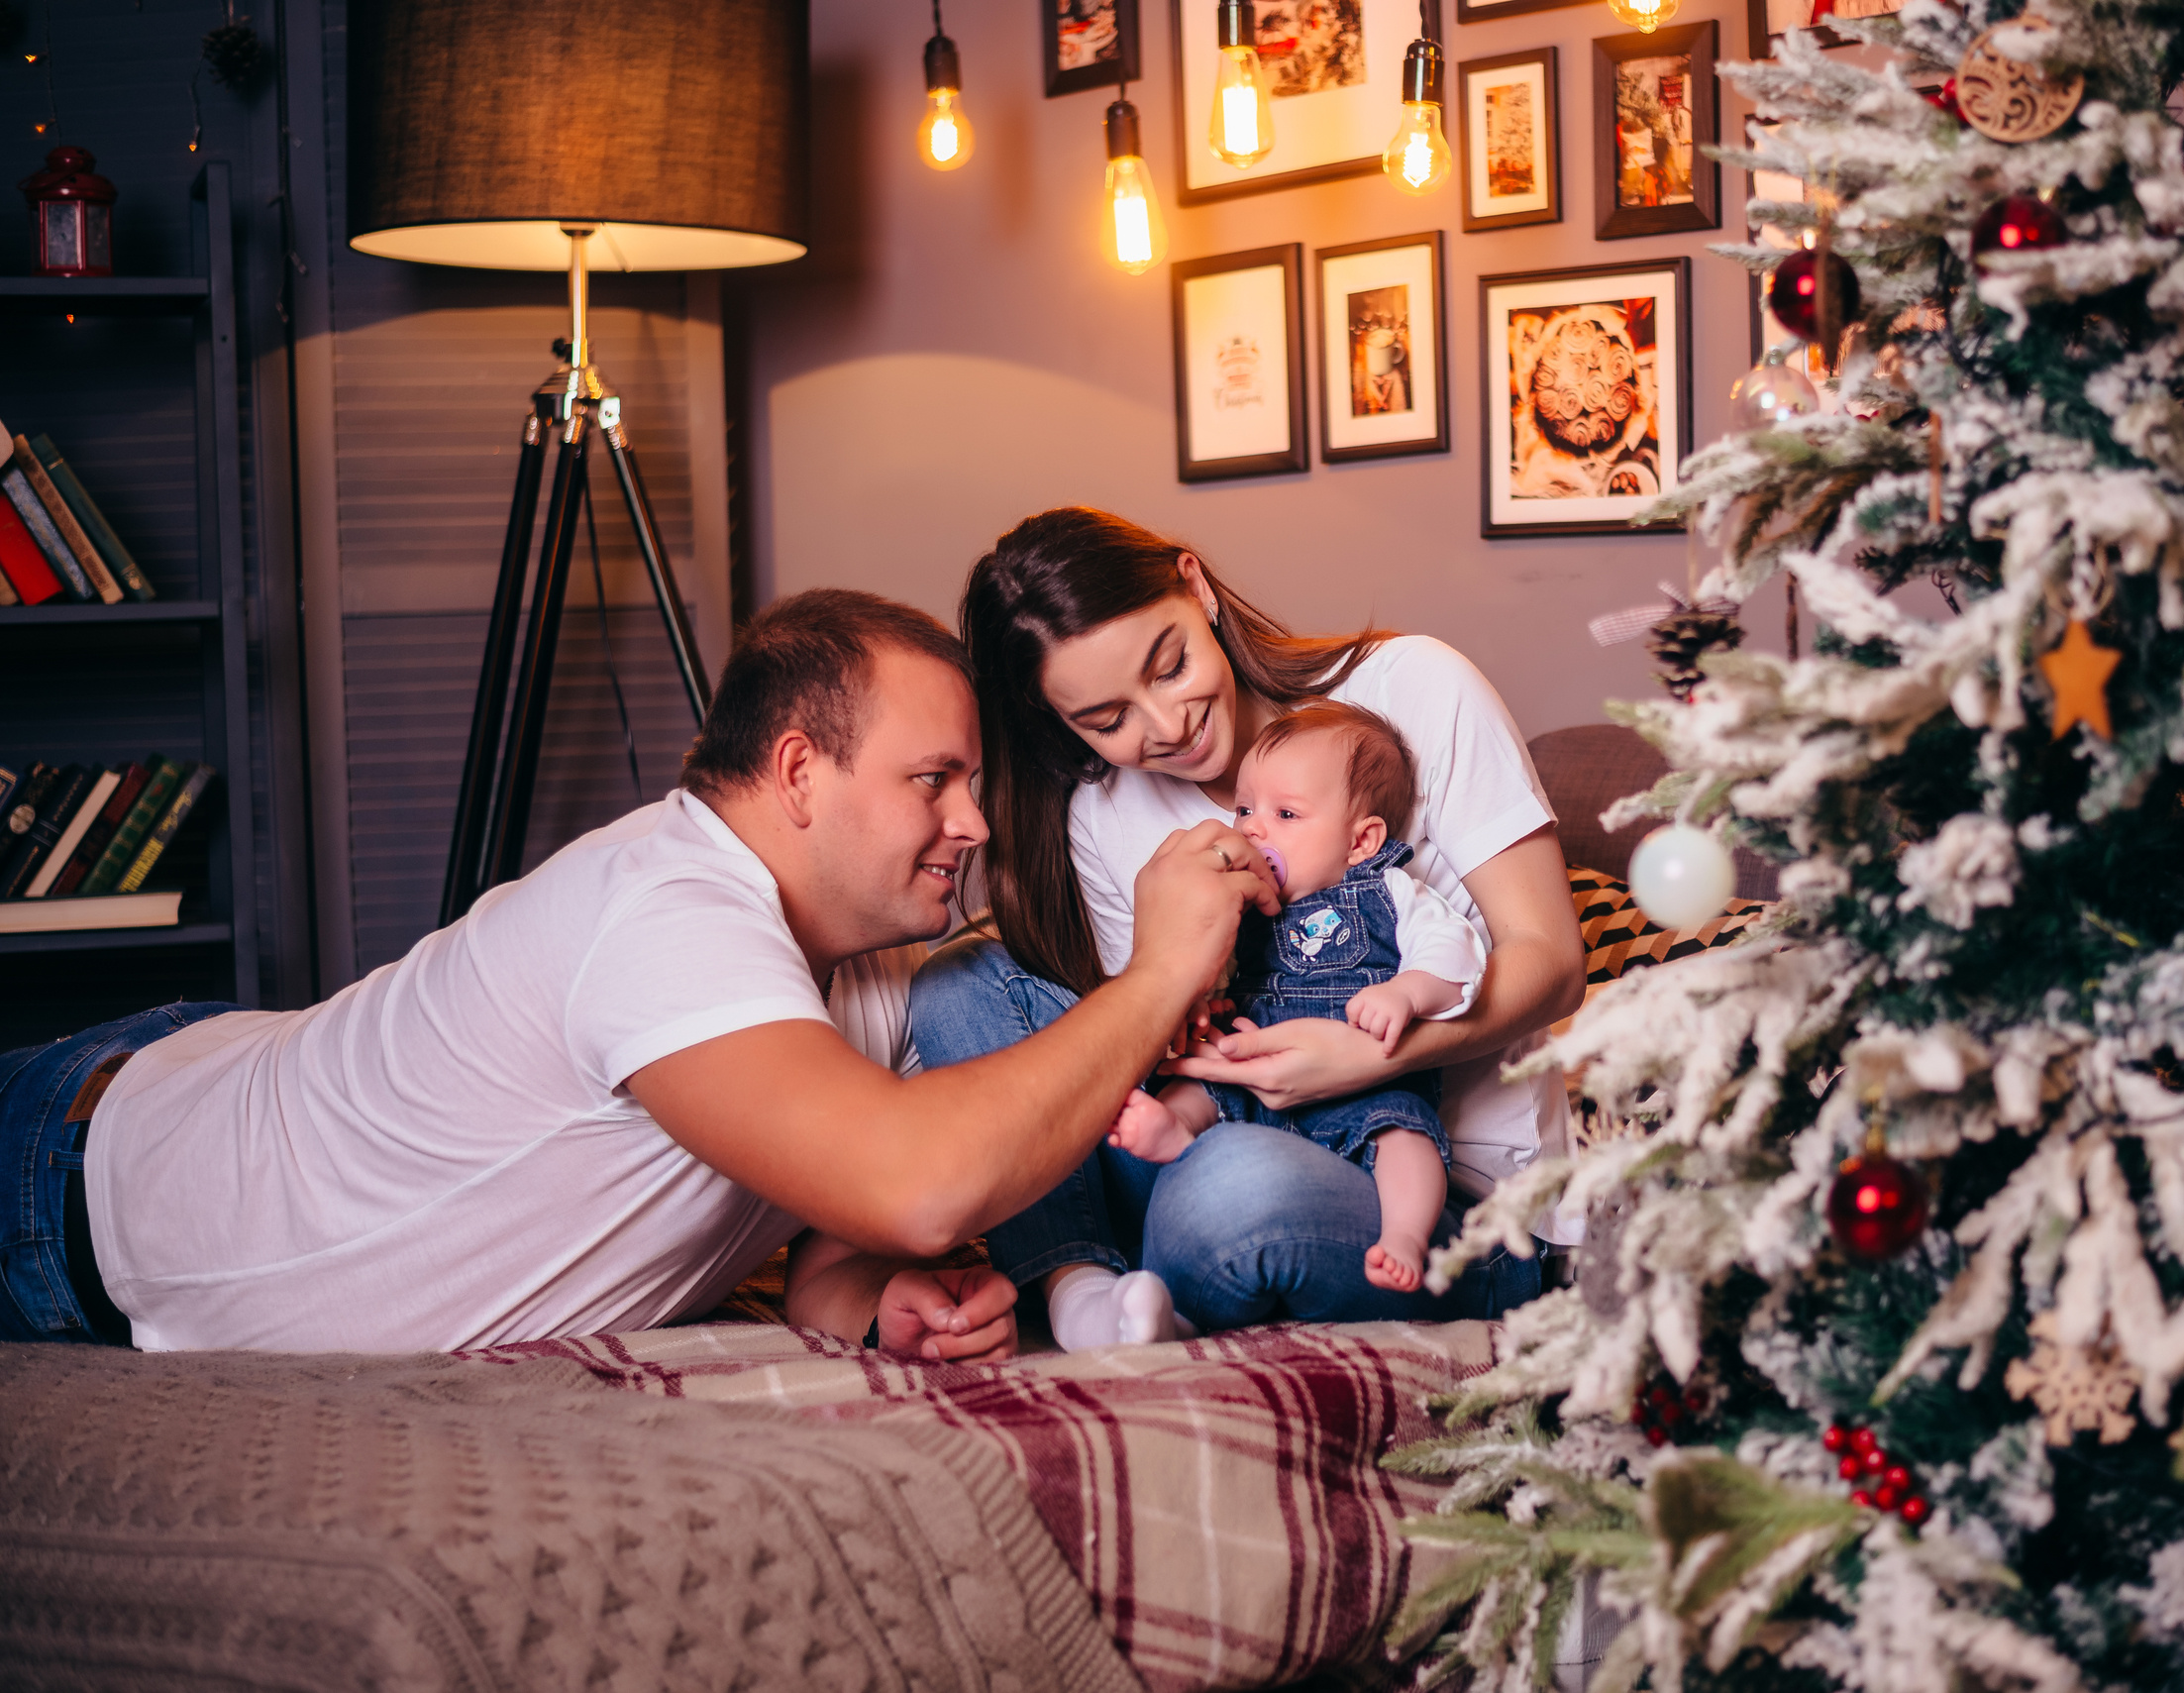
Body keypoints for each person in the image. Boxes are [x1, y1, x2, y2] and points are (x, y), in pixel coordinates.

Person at [0, 589, 1276, 1357]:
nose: (975, 824)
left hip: (221, 1061)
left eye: (974, 783)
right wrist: (1160, 969)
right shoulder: (670, 903)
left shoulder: (871, 977)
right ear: (794, 774)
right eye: (932, 781)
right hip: (69, 1167)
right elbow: (921, 1178)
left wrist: (888, 1309)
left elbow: (840, 1262)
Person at [915, 507, 1586, 1353]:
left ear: (1196, 587)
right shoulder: (1104, 812)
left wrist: (1372, 1053)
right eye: (1106, 720)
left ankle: (1168, 1272)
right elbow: (1155, 1061)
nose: (1164, 726)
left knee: (1231, 1186)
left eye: (1169, 665)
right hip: (1219, 1125)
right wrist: (1166, 978)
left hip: (1441, 1190)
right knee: (961, 984)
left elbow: (1553, 961)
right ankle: (1080, 1288)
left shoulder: (1411, 690)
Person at [1109, 702, 1481, 1294]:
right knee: (1194, 1087)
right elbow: (1209, 973)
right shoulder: (1238, 900)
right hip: (1250, 1071)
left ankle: (1405, 1235)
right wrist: (1200, 1000)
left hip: (1364, 1092)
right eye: (1245, 809)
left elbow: (1458, 958)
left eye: (1285, 814)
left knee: (1407, 1137)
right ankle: (1175, 1131)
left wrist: (1407, 995)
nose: (1253, 829)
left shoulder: (1387, 893)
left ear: (1361, 841)